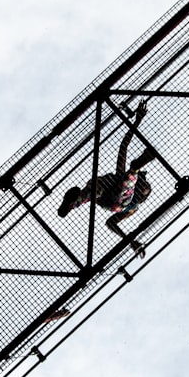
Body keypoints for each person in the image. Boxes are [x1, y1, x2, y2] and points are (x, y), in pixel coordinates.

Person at [58, 100, 156, 258]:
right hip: (106, 193)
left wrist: (130, 242)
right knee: (105, 189)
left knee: (115, 188)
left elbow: (124, 145)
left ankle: (75, 202)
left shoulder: (132, 206)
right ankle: (73, 203)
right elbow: (123, 146)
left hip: (110, 196)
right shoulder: (128, 195)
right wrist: (137, 120)